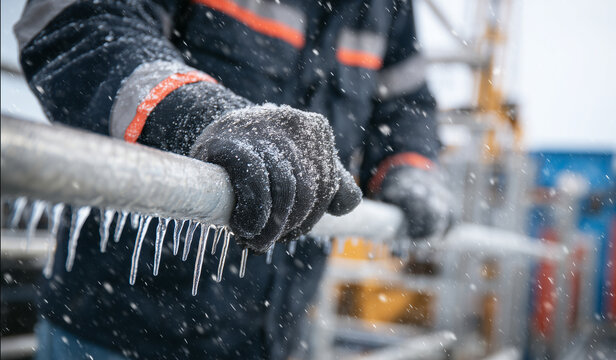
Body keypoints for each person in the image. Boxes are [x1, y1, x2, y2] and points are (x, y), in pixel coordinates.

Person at [14, 0, 450, 358]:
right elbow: (83, 20)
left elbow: (407, 104)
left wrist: (410, 168)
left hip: (274, 336)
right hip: (117, 329)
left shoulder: (386, 7)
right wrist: (197, 114)